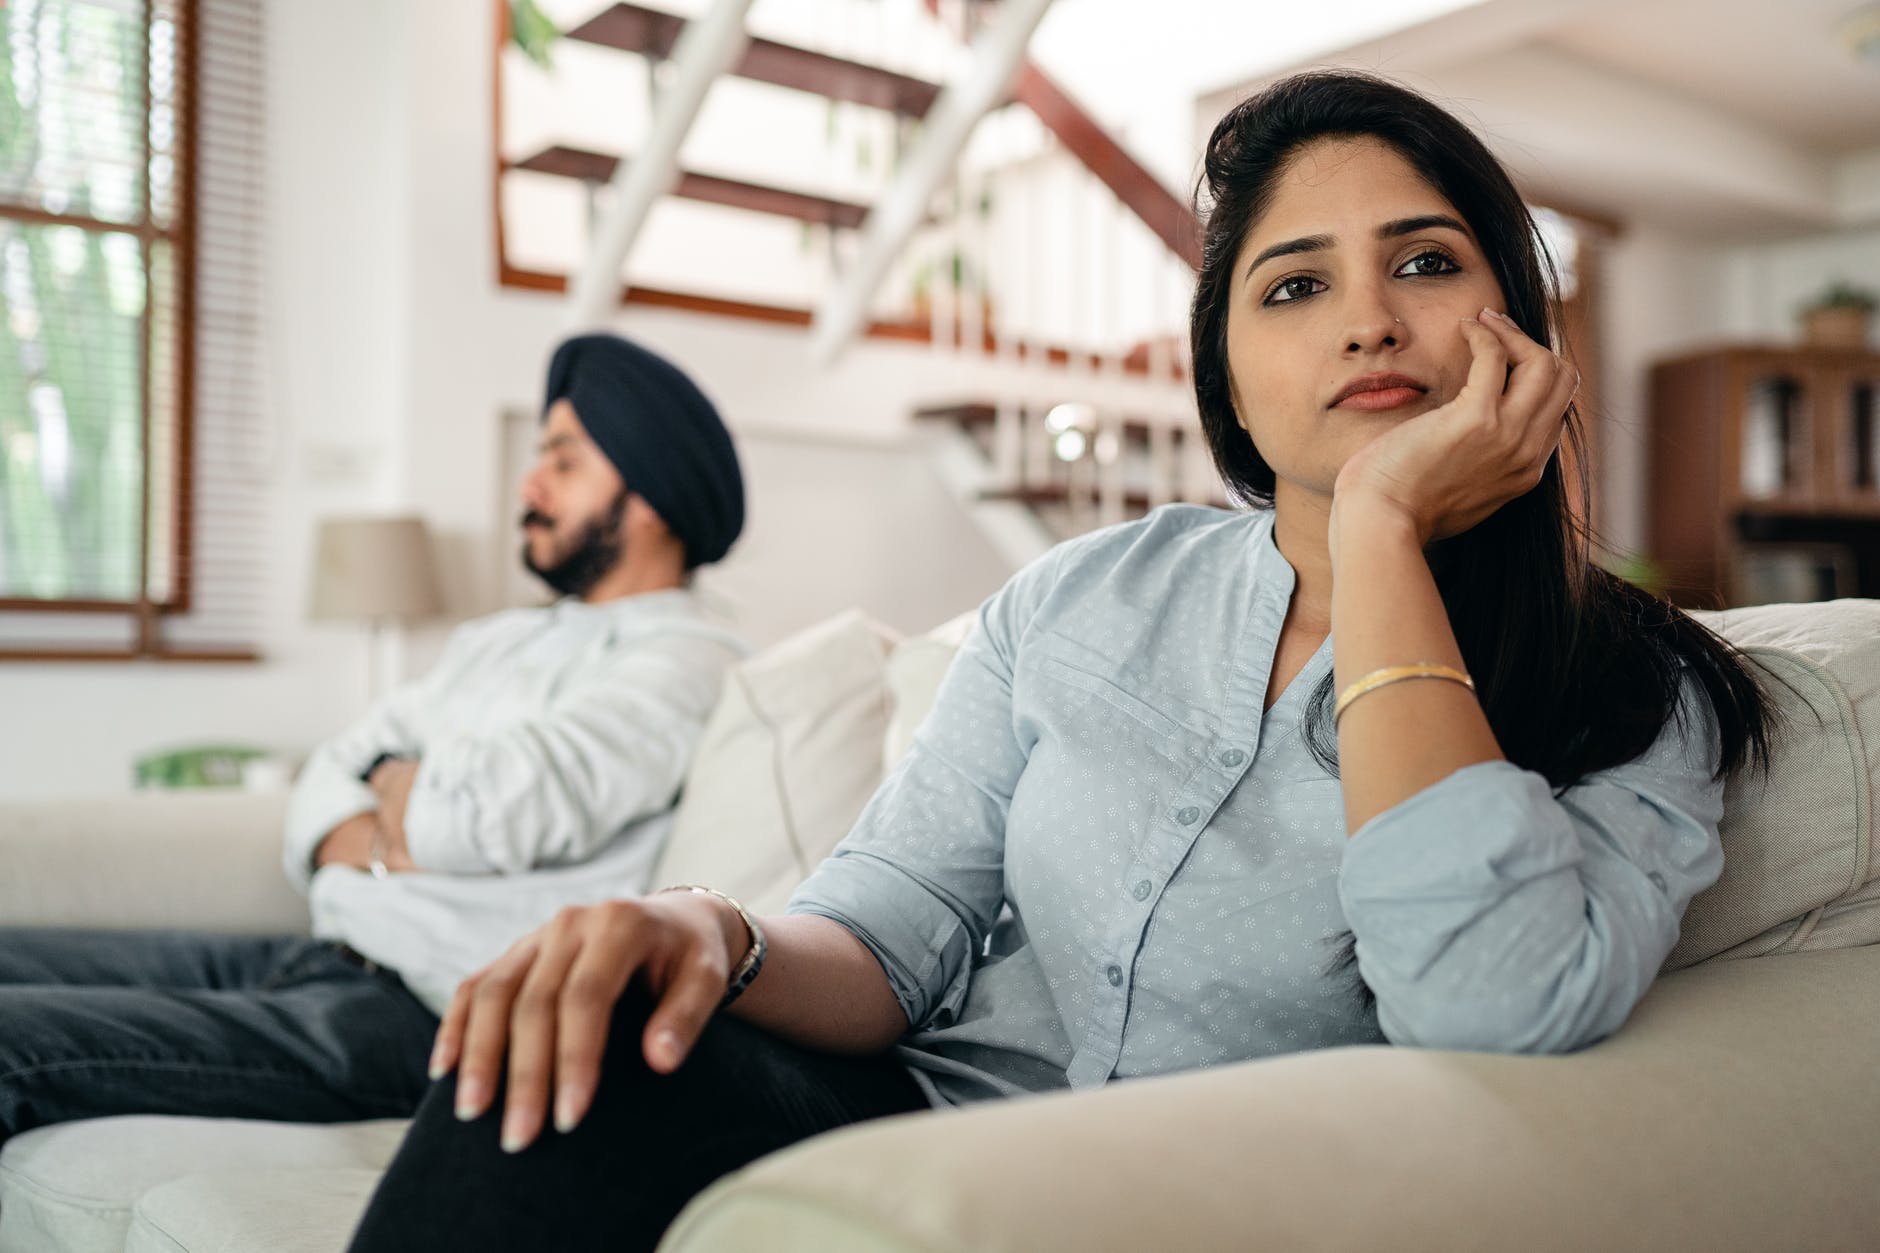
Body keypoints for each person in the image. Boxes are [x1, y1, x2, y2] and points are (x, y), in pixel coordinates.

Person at [347, 72, 1776, 1253]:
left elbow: (1490, 999)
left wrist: (1386, 527)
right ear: (1222, 366)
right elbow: (899, 924)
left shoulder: (1637, 689)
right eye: (1292, 286)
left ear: (1517, 323)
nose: (1366, 320)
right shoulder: (1084, 595)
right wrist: (710, 931)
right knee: (556, 1064)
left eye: (1424, 262)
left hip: (1204, 1202)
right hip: (902, 1128)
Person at [0, 333, 749, 1145]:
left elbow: (477, 816)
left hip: (419, 1015)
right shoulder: (498, 640)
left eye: (563, 463)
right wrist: (399, 821)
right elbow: (333, 771)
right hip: (318, 953)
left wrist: (399, 797)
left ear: (651, 497)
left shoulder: (689, 660)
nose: (528, 485)